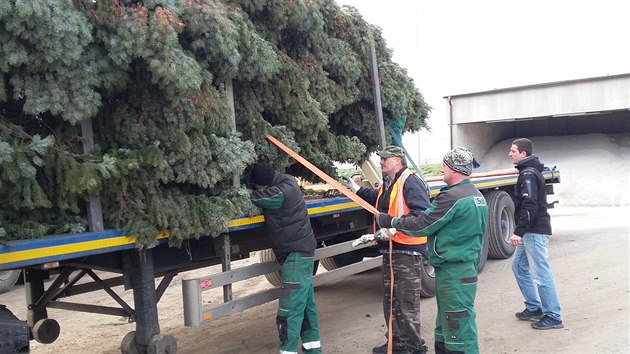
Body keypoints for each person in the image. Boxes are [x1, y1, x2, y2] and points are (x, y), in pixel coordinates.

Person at [376, 147, 488, 354]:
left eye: (444, 166)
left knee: (458, 326)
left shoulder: (452, 197)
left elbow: (423, 224)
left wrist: (390, 221)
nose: (442, 170)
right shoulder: (475, 194)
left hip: (454, 270)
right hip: (462, 268)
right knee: (448, 322)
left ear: (454, 168)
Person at [344, 145, 430, 354]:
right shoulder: (389, 182)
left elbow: (422, 216)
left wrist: (392, 227)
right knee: (391, 301)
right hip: (391, 250)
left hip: (407, 251)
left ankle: (414, 347)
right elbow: (379, 199)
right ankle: (396, 343)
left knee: (406, 303)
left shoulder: (411, 182)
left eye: (385, 159)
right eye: (381, 159)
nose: (381, 162)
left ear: (398, 161)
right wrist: (357, 190)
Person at [249, 162, 322, 354]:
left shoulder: (283, 190)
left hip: (296, 256)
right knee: (306, 308)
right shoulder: (286, 180)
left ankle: (287, 351)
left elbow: (262, 198)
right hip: (299, 254)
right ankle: (313, 350)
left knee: (289, 311)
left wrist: (246, 194)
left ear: (262, 183)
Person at [508, 138, 564, 330]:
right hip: (530, 231)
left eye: (513, 151)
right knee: (519, 267)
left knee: (541, 273)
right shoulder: (527, 172)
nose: (510, 153)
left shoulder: (528, 175)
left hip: (534, 231)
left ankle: (553, 315)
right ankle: (534, 307)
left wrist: (518, 232)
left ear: (523, 154)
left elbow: (530, 204)